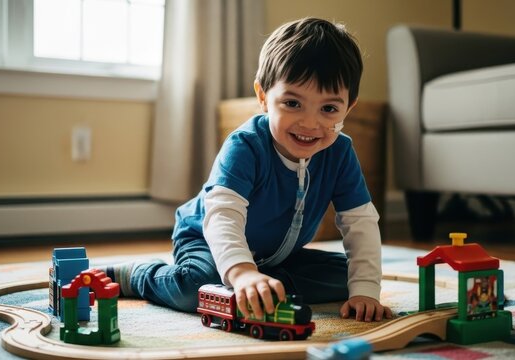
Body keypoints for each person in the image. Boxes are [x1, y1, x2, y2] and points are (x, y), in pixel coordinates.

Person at [106, 17, 392, 323]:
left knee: (352, 277)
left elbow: (360, 222)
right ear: (263, 97)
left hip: (278, 256)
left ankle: (265, 285)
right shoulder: (246, 145)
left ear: (348, 108)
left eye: (329, 109)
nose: (310, 124)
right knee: (195, 290)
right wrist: (241, 272)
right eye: (293, 103)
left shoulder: (340, 152)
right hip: (208, 239)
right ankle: (138, 275)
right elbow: (223, 216)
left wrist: (364, 291)